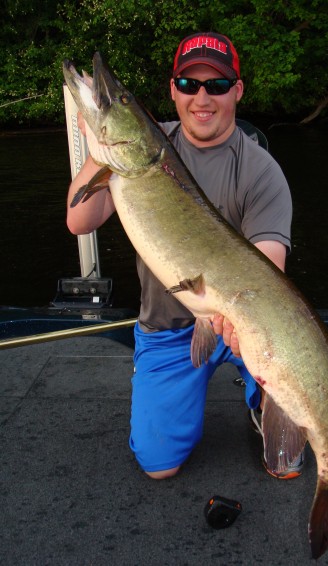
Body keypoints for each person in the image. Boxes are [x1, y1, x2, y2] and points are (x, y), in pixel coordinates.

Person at [67, 31, 303, 480]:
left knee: (288, 456)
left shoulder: (262, 171)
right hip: (170, 328)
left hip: (242, 323)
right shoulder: (142, 152)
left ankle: (263, 403)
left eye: (216, 86)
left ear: (236, 91)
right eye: (189, 84)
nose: (202, 97)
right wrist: (101, 146)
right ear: (173, 90)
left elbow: (269, 273)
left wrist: (243, 324)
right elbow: (79, 222)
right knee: (158, 465)